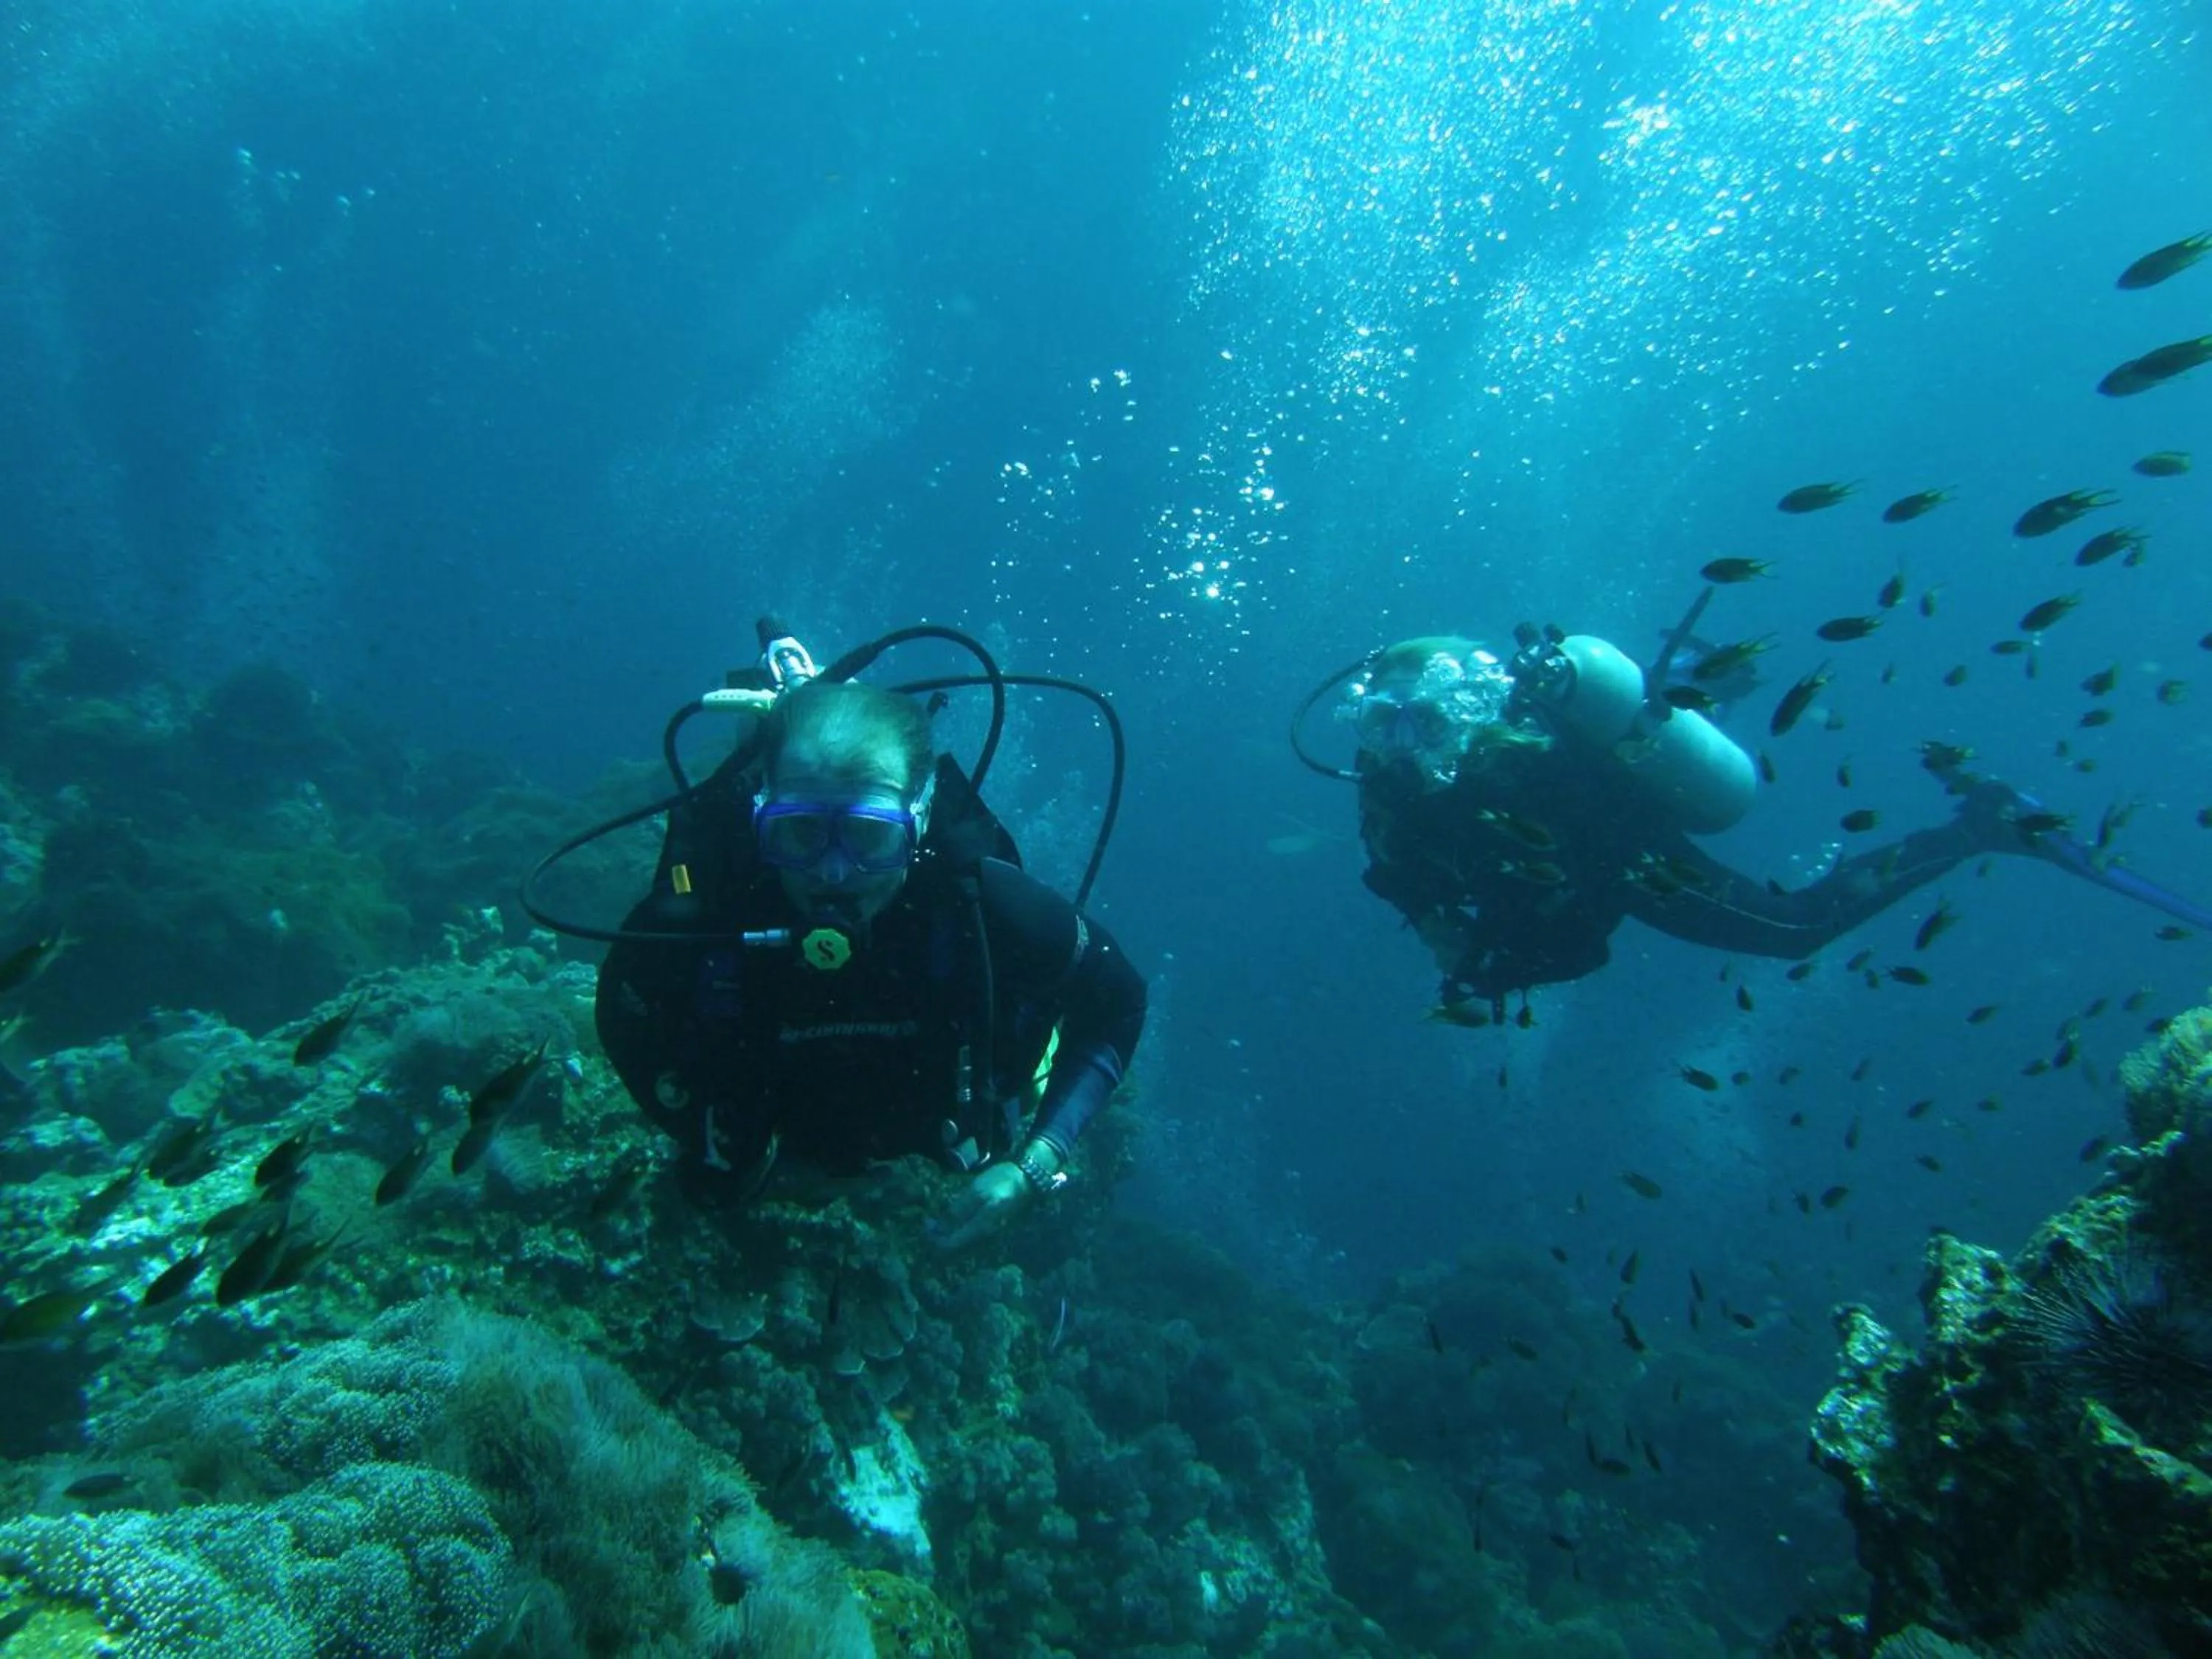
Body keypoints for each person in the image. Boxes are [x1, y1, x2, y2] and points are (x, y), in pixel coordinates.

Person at [1294, 622, 2212, 1015]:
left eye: (1418, 718)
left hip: (1627, 857)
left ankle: (1981, 826)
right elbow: (1418, 887)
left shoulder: (1516, 774)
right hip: (1582, 867)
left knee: (1793, 928)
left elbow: (1581, 931)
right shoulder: (1391, 806)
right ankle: (1717, 681)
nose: (1401, 743)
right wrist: (1461, 946)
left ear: (1465, 703)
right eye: (1383, 725)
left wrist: (1487, 967)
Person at [588, 660, 1145, 1248]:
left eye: (870, 834)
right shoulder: (709, 908)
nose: (833, 872)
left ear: (920, 818)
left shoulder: (983, 905)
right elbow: (626, 1016)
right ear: (761, 815)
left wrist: (1036, 1163)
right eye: (799, 832)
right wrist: (707, 1135)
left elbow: (1119, 1003)